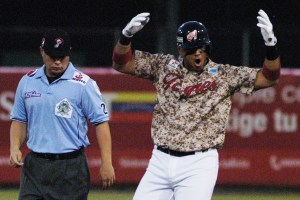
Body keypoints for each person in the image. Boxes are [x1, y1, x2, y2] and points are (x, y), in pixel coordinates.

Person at [112, 9, 280, 200]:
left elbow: (269, 78)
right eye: (192, 50)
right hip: (160, 159)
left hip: (199, 162)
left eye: (202, 48)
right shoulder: (163, 66)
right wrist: (126, 37)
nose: (198, 54)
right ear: (181, 50)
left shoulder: (224, 75)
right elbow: (122, 64)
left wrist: (270, 45)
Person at [10, 29, 115, 200]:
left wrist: (107, 163)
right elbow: (19, 120)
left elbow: (101, 123)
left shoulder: (84, 84)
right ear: (42, 52)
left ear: (70, 54)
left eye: (63, 57)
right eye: (52, 57)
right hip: (35, 166)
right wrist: (15, 147)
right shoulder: (27, 82)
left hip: (70, 169)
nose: (58, 62)